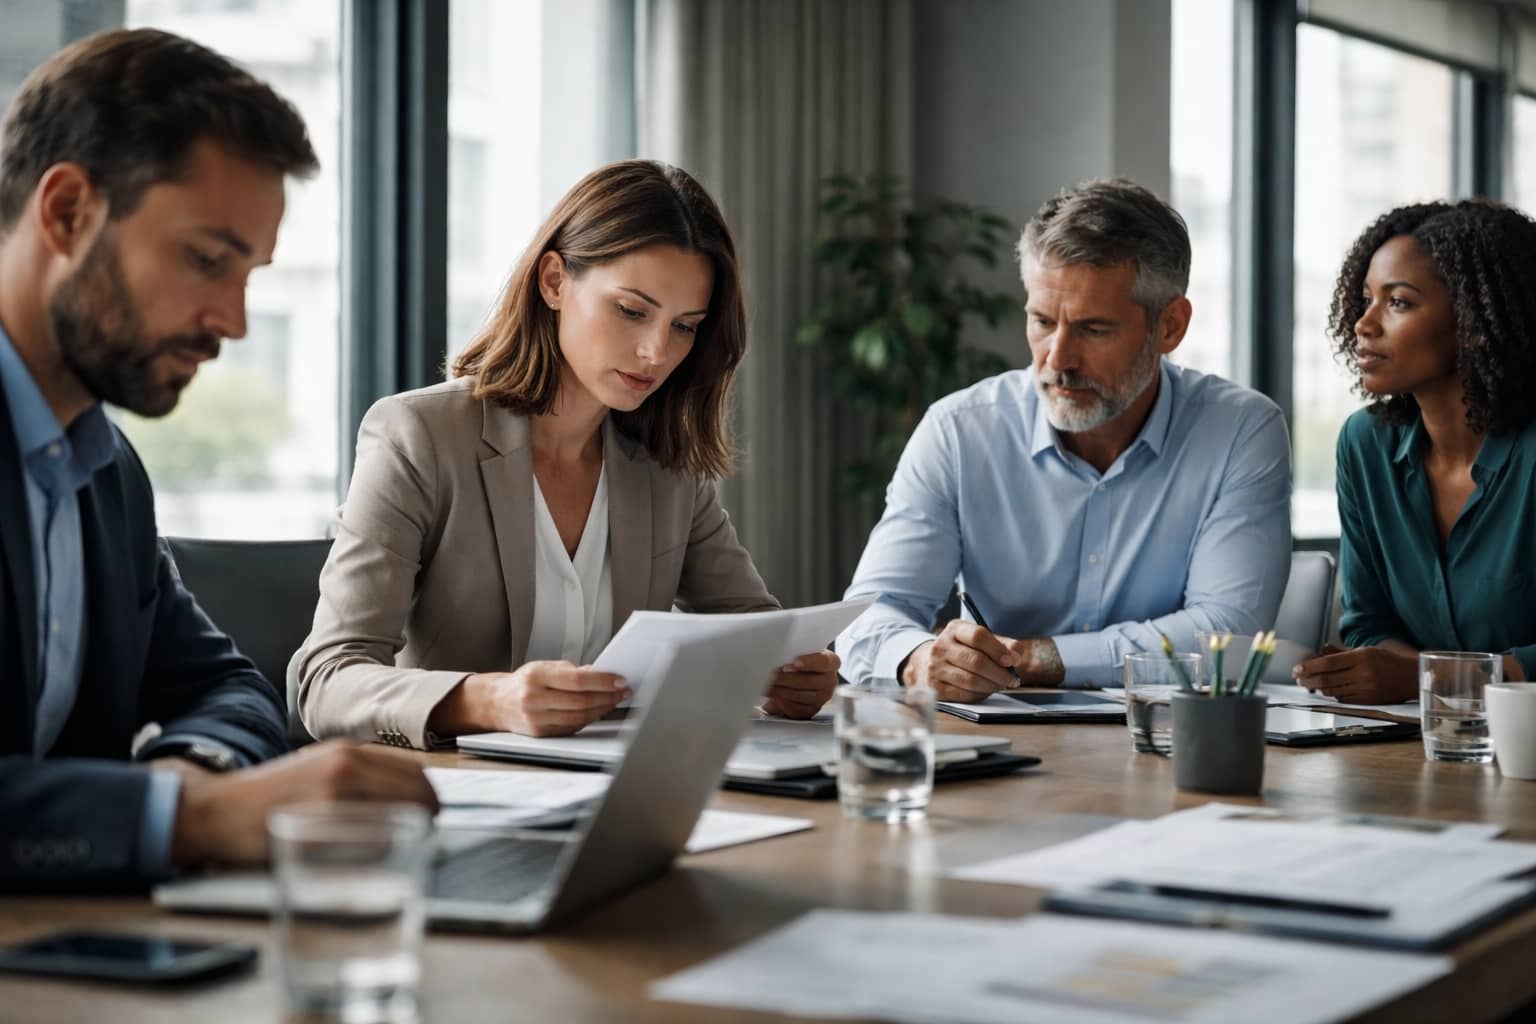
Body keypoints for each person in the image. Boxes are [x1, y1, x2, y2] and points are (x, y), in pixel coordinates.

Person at [0, 29, 437, 892]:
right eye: (207, 260)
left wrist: (191, 772)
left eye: (249, 276)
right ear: (67, 213)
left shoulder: (104, 470)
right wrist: (189, 817)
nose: (233, 322)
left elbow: (228, 687)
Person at [293, 160, 839, 748]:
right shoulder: (419, 435)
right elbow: (324, 681)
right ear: (554, 281)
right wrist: (489, 699)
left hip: (616, 789)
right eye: (631, 311)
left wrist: (788, 677)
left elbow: (753, 630)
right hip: (455, 794)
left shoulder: (664, 463)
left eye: (685, 326)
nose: (656, 351)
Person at [837, 178, 1292, 700]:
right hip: (995, 753)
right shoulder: (960, 430)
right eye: (1041, 321)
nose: (1057, 359)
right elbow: (870, 616)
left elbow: (1226, 638)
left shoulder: (1240, 431)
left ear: (1170, 326)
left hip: (1167, 746)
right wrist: (916, 660)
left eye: (1094, 330)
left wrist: (1039, 658)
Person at [1293, 200, 1536, 703]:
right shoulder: (1365, 446)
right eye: (1366, 299)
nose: (1364, 323)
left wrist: (1434, 679)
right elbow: (1368, 621)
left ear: (1475, 318)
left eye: (1398, 302)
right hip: (1417, 748)